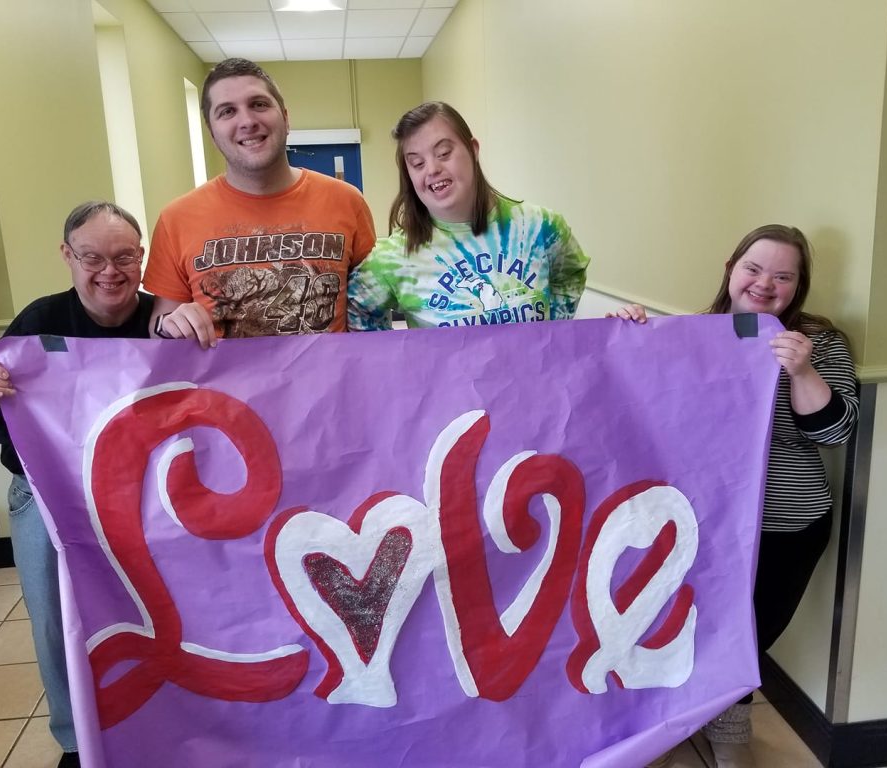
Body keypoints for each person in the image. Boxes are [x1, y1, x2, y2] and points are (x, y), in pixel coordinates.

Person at [613, 225, 859, 768]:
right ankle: (681, 719)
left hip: (786, 522)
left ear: (798, 286)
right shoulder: (692, 334)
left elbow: (836, 433)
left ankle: (728, 719)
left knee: (751, 631)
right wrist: (628, 334)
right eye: (754, 268)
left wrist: (802, 369)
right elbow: (641, 407)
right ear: (731, 268)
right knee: (689, 625)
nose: (765, 283)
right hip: (706, 519)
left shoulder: (817, 342)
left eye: (783, 275)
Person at [0, 201, 156, 768]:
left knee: (153, 610)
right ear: (67, 257)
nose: (109, 271)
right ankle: (76, 741)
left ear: (143, 257)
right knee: (55, 623)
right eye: (92, 257)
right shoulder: (38, 322)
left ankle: (161, 722)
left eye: (124, 256)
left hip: (144, 497)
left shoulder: (162, 320)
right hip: (47, 497)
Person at [143, 58, 376, 345]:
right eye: (227, 111)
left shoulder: (347, 201)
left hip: (329, 387)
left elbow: (371, 309)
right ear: (212, 133)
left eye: (259, 104)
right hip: (223, 389)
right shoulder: (176, 219)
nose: (248, 121)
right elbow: (159, 325)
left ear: (286, 118)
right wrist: (170, 325)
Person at [347, 101, 589, 330]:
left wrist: (556, 333)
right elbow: (358, 309)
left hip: (537, 374)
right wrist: (400, 362)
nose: (432, 169)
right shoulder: (393, 256)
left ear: (472, 150)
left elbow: (570, 274)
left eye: (443, 153)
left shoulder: (540, 227)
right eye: (417, 163)